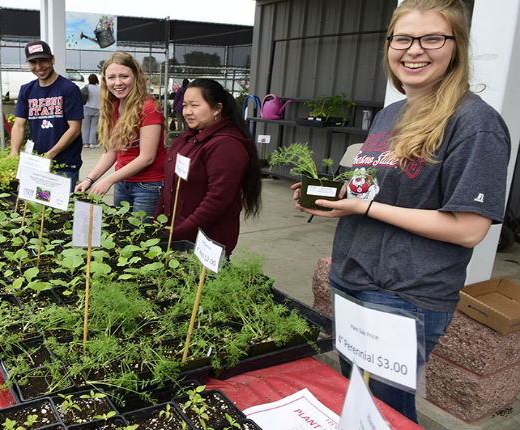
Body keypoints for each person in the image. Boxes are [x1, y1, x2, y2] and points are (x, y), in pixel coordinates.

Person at [292, 0, 510, 422]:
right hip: (352, 277)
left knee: (383, 414)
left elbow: (468, 228)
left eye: (432, 38)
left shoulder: (473, 123)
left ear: (456, 46)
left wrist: (365, 207)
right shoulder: (391, 114)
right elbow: (372, 190)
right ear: (389, 44)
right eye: (403, 38)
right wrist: (335, 198)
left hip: (402, 294)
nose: (415, 50)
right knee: (358, 400)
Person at [156, 79, 262, 255]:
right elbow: (169, 186)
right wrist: (158, 224)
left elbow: (216, 200)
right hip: (177, 237)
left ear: (217, 108)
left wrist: (177, 234)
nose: (188, 112)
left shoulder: (226, 145)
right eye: (185, 105)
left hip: (204, 243)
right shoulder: (187, 139)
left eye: (195, 105)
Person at [75, 52, 167, 218]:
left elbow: (147, 157)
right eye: (111, 77)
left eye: (124, 76)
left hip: (149, 185)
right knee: (123, 233)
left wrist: (109, 180)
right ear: (104, 80)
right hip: (122, 183)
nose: (117, 83)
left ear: (136, 77)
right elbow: (111, 151)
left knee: (142, 238)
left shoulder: (149, 108)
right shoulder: (113, 106)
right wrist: (89, 179)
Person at [9, 40, 83, 191]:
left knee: (60, 212)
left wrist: (50, 155)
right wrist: (14, 151)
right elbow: (18, 125)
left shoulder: (69, 89)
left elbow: (75, 129)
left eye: (43, 60)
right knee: (37, 210)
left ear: (52, 59)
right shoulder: (26, 90)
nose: (38, 67)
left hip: (65, 166)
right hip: (37, 163)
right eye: (33, 62)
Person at [81, 74, 101, 148]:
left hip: (86, 108)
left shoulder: (86, 87)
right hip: (97, 109)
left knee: (85, 126)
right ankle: (92, 143)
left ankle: (85, 143)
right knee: (94, 126)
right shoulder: (99, 89)